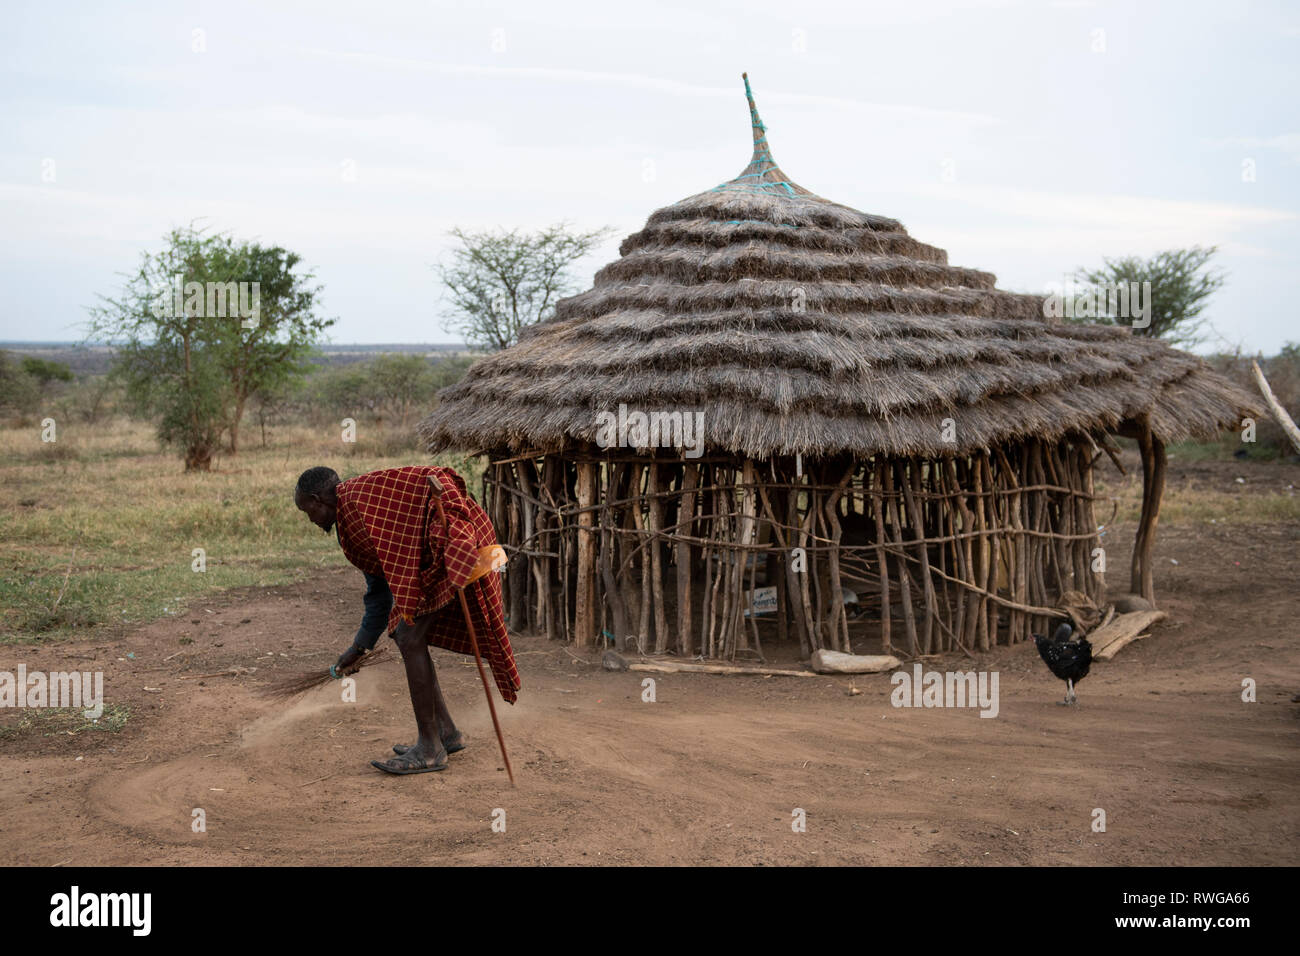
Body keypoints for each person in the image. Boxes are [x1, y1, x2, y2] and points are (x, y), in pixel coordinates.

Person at [294, 464, 520, 775]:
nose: (311, 521)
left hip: (456, 545)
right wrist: (359, 648)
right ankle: (446, 733)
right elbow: (379, 593)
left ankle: (429, 749)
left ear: (317, 499)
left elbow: (432, 483)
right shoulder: (351, 521)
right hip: (442, 554)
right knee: (408, 635)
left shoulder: (362, 498)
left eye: (308, 513)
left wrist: (448, 534)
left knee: (409, 636)